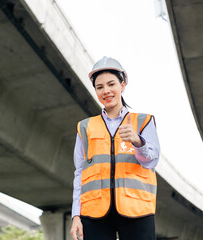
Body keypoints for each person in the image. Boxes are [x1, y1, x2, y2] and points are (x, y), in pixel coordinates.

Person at [70, 57, 160, 240]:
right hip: (94, 212)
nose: (106, 91)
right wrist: (76, 215)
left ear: (123, 85)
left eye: (111, 84)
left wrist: (137, 141)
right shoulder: (85, 127)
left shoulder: (143, 121)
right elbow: (80, 172)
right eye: (100, 87)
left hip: (136, 209)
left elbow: (152, 160)